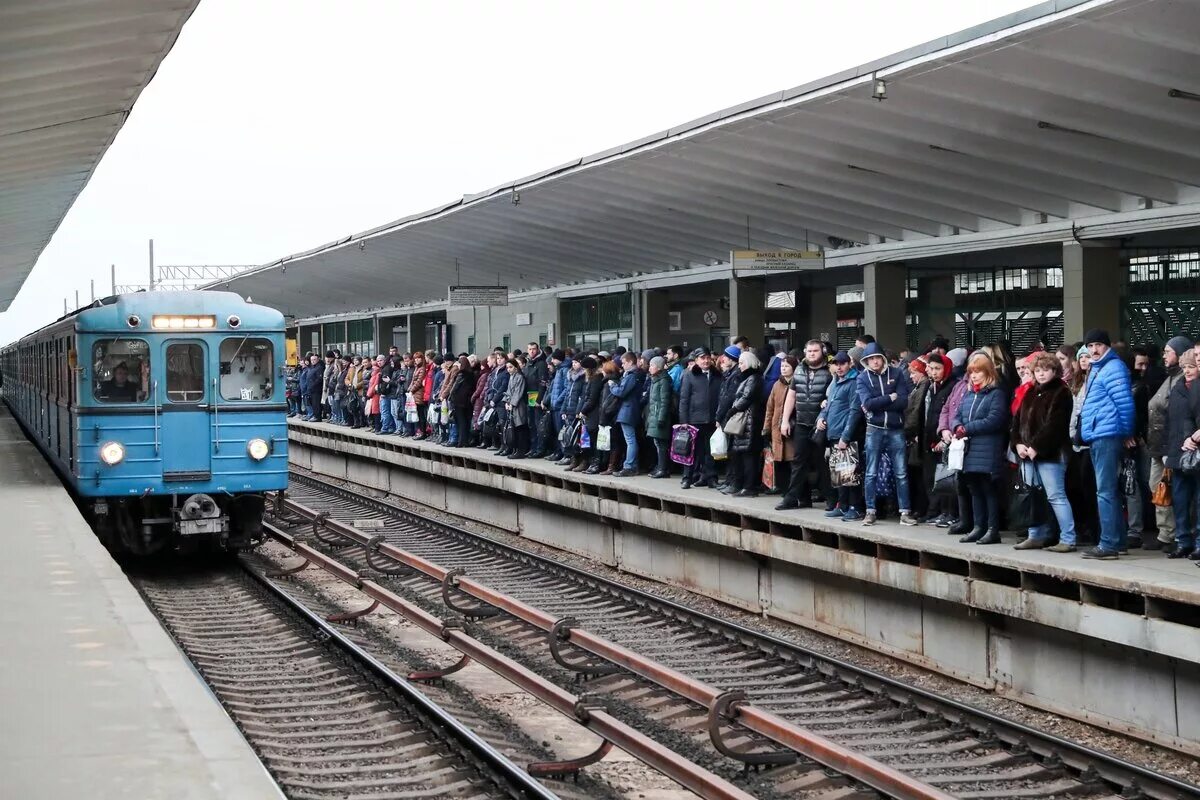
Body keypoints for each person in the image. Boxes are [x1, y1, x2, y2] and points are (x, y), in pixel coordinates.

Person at [1078, 329, 1136, 560]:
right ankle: (1118, 541)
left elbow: (1125, 403)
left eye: (1098, 345)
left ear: (1107, 346)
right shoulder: (1099, 368)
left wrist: (1127, 432)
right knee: (1107, 489)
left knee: (1105, 490)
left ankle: (1109, 544)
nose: (1093, 350)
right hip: (1099, 432)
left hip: (1107, 434)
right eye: (1090, 346)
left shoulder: (1113, 368)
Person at [1011, 352, 1077, 551]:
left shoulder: (1061, 392)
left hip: (1052, 453)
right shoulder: (1031, 391)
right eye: (1037, 370)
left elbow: (1056, 425)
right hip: (1028, 454)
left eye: (1046, 370)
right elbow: (1017, 421)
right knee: (1033, 495)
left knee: (1055, 496)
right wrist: (1018, 444)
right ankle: (1035, 535)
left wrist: (1037, 447)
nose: (1041, 374)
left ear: (1055, 371)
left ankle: (1068, 538)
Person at [856, 343, 918, 526]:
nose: (874, 361)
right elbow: (867, 403)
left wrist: (880, 402)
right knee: (871, 472)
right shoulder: (863, 378)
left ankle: (905, 512)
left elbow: (903, 402)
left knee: (901, 472)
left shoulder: (897, 373)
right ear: (866, 361)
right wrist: (889, 398)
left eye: (877, 357)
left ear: (883, 358)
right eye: (870, 359)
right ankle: (870, 511)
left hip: (895, 427)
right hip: (874, 428)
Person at [953, 352, 1010, 544]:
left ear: (988, 372)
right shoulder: (969, 394)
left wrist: (967, 428)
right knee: (974, 488)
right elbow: (958, 414)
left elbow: (995, 420)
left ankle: (992, 529)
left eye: (978, 372)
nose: (974, 376)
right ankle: (979, 526)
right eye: (971, 372)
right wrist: (956, 426)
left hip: (988, 448)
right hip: (970, 450)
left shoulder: (996, 394)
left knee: (988, 489)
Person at [1146, 335, 1191, 549]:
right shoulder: (1170, 377)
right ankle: (1166, 532)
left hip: (1172, 444)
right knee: (1157, 487)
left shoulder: (1185, 378)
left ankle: (1173, 534)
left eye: (1168, 352)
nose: (1164, 356)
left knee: (1172, 489)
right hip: (1158, 445)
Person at [776, 341, 832, 510]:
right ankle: (793, 498)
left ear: (822, 352)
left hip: (821, 425)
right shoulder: (799, 369)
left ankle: (831, 498)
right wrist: (785, 421)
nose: (812, 354)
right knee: (798, 462)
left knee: (823, 463)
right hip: (801, 422)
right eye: (809, 351)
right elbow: (791, 397)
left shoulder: (829, 371)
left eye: (815, 351)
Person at [1165, 349, 1200, 560]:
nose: (1187, 370)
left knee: (1198, 499)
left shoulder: (1195, 388)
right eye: (1185, 367)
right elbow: (1176, 420)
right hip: (1179, 450)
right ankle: (1182, 540)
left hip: (1195, 448)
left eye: (1192, 366)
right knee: (1179, 499)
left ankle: (1197, 542)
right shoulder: (1177, 387)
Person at [820, 351, 862, 521]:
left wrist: (846, 436)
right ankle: (842, 505)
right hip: (834, 432)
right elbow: (828, 404)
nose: (839, 367)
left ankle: (855, 508)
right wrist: (821, 417)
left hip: (846, 434)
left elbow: (854, 411)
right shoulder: (836, 381)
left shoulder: (855, 381)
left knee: (850, 474)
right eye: (836, 364)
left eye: (842, 363)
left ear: (849, 364)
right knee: (840, 473)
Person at [723, 350, 764, 496]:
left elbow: (746, 397)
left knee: (749, 456)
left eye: (741, 363)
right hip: (747, 420)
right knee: (742, 455)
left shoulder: (753, 378)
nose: (739, 366)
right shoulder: (750, 377)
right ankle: (743, 484)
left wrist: (733, 409)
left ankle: (749, 486)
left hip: (750, 421)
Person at [678, 348, 720, 489]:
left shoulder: (717, 375)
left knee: (710, 451)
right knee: (691, 450)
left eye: (708, 357)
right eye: (702, 358)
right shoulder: (690, 375)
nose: (706, 361)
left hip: (712, 419)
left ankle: (711, 477)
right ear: (696, 360)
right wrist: (684, 421)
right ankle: (687, 478)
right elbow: (684, 399)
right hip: (694, 419)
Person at [762, 356, 798, 496]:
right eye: (782, 366)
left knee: (792, 461)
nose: (783, 369)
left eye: (787, 366)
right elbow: (769, 408)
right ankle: (783, 490)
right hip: (776, 428)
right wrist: (766, 427)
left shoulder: (798, 384)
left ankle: (792, 492)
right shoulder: (777, 384)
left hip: (792, 428)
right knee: (779, 461)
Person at [609, 351, 646, 477]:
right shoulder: (637, 374)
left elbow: (622, 392)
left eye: (624, 363)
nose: (622, 365)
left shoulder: (631, 376)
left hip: (628, 410)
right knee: (631, 439)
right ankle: (632, 464)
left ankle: (629, 465)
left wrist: (612, 386)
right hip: (632, 410)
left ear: (630, 362)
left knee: (630, 440)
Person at [644, 356, 675, 478]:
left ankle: (663, 468)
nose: (650, 368)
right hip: (654, 415)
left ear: (658, 367)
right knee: (657, 442)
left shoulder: (663, 381)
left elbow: (664, 401)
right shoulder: (655, 379)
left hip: (659, 416)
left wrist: (661, 418)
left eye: (652, 365)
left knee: (661, 444)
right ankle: (660, 467)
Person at [577, 356, 606, 473]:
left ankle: (596, 463)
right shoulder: (594, 379)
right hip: (591, 413)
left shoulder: (595, 380)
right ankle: (593, 462)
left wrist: (583, 411)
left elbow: (592, 399)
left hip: (594, 414)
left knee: (595, 440)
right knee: (591, 439)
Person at [523, 343, 551, 457]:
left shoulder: (541, 364)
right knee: (531, 425)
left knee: (538, 424)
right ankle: (533, 448)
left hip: (536, 397)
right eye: (529, 349)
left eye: (534, 349)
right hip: (529, 396)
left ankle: (540, 449)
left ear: (538, 349)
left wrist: (539, 400)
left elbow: (542, 383)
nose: (532, 351)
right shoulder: (528, 363)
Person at [502, 359, 530, 458]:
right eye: (507, 367)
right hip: (511, 405)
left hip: (519, 406)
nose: (509, 370)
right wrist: (506, 401)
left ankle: (521, 451)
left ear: (515, 367)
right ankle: (515, 449)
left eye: (511, 367)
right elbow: (508, 391)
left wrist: (512, 403)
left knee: (520, 427)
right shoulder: (511, 377)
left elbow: (519, 392)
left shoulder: (519, 377)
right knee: (513, 428)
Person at [450, 355, 477, 448]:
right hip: (468, 400)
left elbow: (455, 387)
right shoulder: (472, 374)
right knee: (466, 421)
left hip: (459, 400)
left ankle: (461, 441)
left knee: (460, 421)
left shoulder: (461, 373)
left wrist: (450, 396)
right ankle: (466, 440)